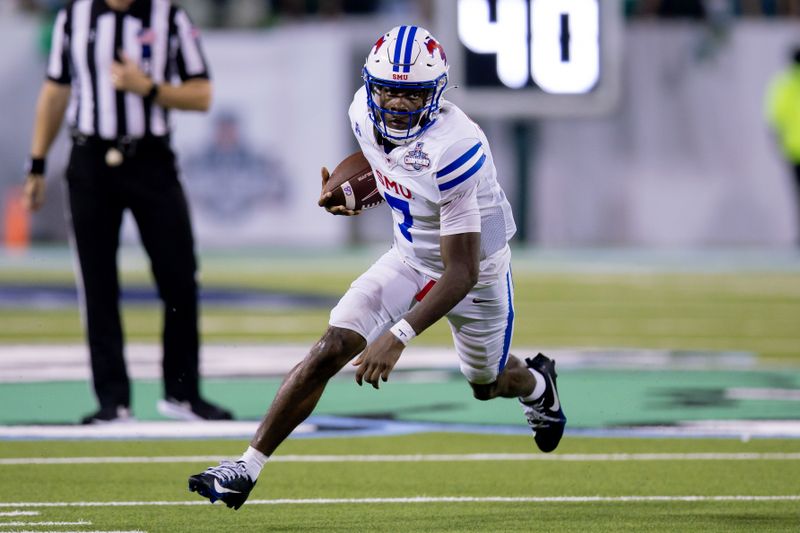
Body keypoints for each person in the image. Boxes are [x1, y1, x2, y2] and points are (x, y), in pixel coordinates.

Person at [188, 25, 567, 510]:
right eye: (387, 89)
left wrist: (399, 335)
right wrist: (353, 195)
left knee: (487, 384)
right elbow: (383, 164)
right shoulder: (361, 114)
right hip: (409, 259)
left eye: (410, 94)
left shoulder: (457, 147)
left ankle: (538, 384)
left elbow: (460, 271)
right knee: (331, 346)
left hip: (474, 277)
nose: (396, 103)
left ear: (435, 94)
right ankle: (245, 466)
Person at [23, 0, 233, 424]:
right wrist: (38, 163)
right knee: (97, 283)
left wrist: (149, 88)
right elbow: (55, 90)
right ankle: (112, 401)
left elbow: (202, 94)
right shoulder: (73, 17)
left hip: (150, 159)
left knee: (178, 277)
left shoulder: (169, 16)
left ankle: (182, 392)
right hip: (90, 160)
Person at [765, 45, 800, 245]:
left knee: (797, 194)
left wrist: (777, 140)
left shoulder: (783, 83)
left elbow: (774, 116)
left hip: (793, 149)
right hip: (793, 148)